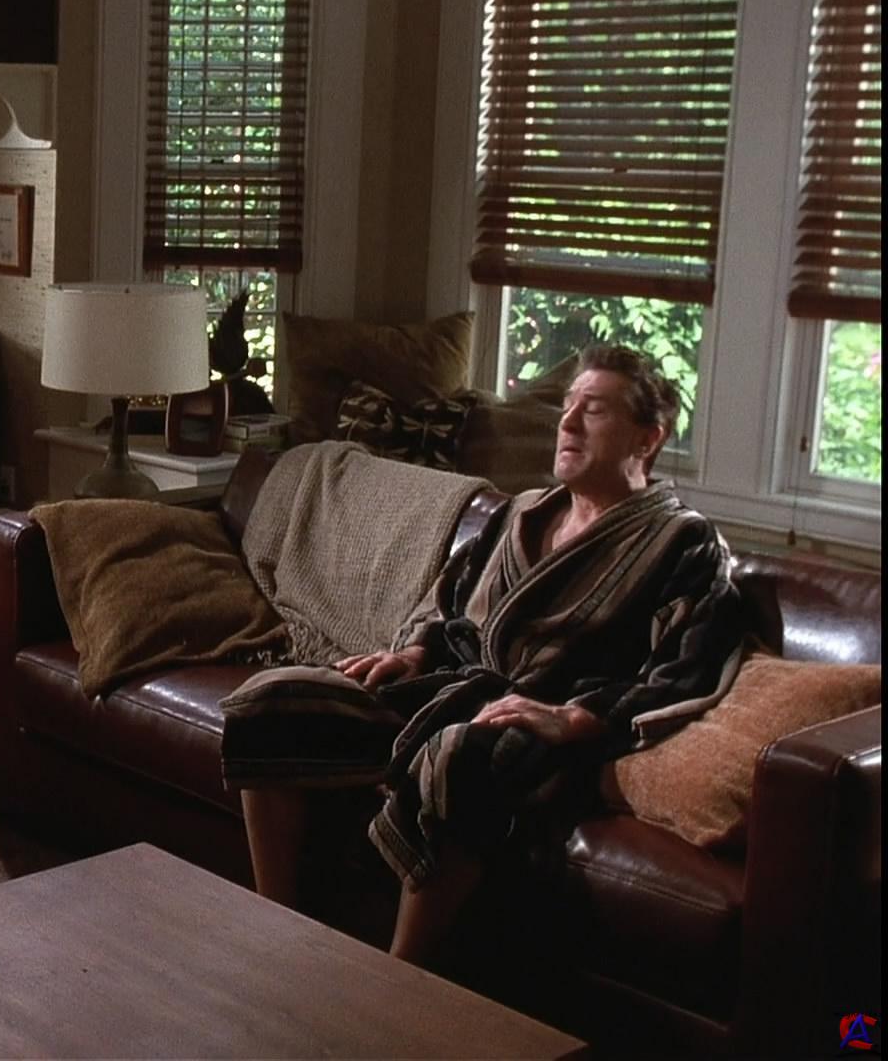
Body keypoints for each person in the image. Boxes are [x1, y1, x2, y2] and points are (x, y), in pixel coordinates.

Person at [232, 345, 744, 965]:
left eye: (594, 410)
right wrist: (414, 652)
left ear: (648, 438)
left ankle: (402, 973)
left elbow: (685, 667)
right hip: (449, 690)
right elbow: (446, 598)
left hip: (541, 730)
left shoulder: (684, 541)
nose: (568, 421)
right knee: (271, 702)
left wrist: (578, 717)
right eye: (568, 405)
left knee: (461, 754)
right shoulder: (523, 511)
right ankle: (279, 924)